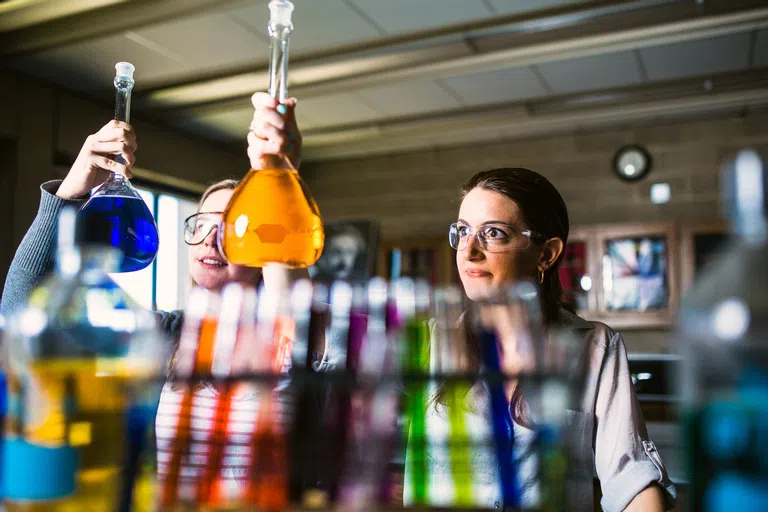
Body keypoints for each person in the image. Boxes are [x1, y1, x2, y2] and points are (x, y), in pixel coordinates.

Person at [246, 93, 677, 511]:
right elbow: (302, 319)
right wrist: (277, 179)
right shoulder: (427, 340)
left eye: (493, 233)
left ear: (546, 253)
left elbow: (631, 478)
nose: (468, 252)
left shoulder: (595, 348)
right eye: (462, 232)